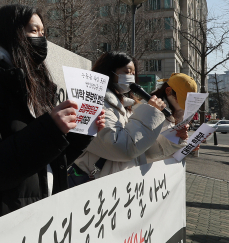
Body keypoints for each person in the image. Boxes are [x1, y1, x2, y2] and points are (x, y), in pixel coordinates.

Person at [0, 4, 105, 237]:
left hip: (35, 226)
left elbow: (44, 164)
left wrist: (81, 132)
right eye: (34, 31)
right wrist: (50, 130)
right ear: (10, 32)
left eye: (43, 33)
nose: (41, 39)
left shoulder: (36, 87)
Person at [70, 52, 189, 182]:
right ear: (109, 72)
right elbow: (121, 148)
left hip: (121, 183)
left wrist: (174, 138)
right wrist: (150, 112)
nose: (131, 77)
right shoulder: (93, 103)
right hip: (97, 184)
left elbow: (143, 151)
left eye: (133, 73)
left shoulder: (126, 106)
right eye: (127, 72)